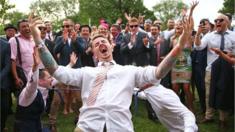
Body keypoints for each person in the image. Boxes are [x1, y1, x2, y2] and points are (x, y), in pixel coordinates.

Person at [28, 9, 193, 131]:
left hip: (120, 127)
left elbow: (158, 73)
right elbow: (56, 70)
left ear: (111, 46)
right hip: (87, 127)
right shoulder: (85, 72)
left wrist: (178, 47)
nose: (101, 44)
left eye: (103, 41)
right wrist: (37, 39)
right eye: (96, 43)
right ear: (93, 51)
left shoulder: (129, 71)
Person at [0, 38, 12, 131]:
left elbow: (7, 65)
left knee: (4, 107)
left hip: (3, 82)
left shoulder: (5, 45)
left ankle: (2, 125)